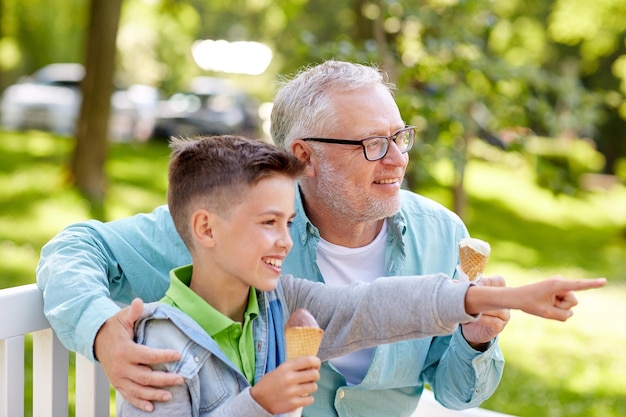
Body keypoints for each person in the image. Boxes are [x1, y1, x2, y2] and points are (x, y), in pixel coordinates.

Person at [32, 61, 553, 416]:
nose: (399, 160)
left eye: (400, 137)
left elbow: (452, 387)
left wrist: (476, 332)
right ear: (304, 156)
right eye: (374, 144)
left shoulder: (442, 235)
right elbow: (75, 245)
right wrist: (99, 329)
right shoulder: (234, 232)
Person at [118, 134, 603, 416]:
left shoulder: (278, 299)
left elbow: (370, 307)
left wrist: (501, 297)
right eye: (269, 223)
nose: (286, 240)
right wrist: (259, 404)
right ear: (206, 228)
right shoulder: (159, 346)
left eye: (288, 222)